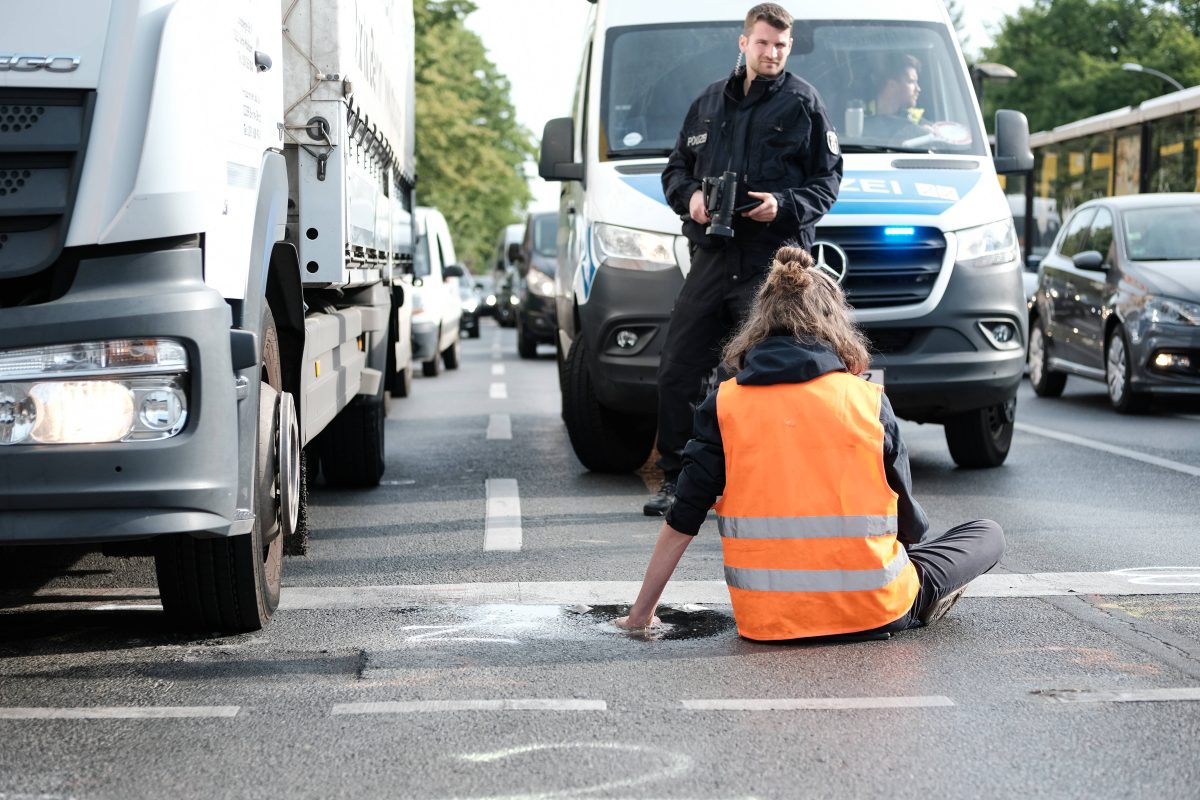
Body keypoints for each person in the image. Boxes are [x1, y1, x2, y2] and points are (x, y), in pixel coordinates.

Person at [617, 246, 1005, 640]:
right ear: (835, 323)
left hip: (767, 621)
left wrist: (640, 615)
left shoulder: (725, 405)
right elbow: (910, 526)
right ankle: (917, 601)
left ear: (759, 323)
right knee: (987, 533)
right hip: (873, 610)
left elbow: (683, 517)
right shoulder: (867, 400)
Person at [649, 3, 843, 516]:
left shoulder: (804, 103)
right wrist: (690, 197)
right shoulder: (708, 102)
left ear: (789, 47)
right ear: (743, 43)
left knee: (770, 374)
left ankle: (763, 483)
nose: (772, 52)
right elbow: (675, 169)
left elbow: (828, 183)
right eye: (762, 43)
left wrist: (783, 206)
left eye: (780, 45)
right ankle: (677, 479)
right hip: (713, 255)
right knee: (679, 368)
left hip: (772, 265)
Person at [862, 53, 930, 143]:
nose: (918, 89)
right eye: (911, 82)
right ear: (892, 85)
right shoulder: (859, 116)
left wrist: (925, 132)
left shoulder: (916, 120)